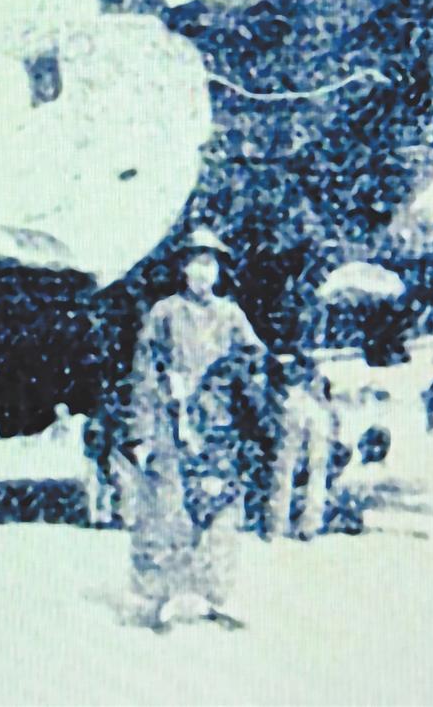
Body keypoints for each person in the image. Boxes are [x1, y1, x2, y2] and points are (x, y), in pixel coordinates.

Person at [125, 227, 265, 630]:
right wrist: (141, 431)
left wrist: (230, 382)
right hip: (171, 422)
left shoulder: (231, 315)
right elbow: (144, 371)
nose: (203, 273)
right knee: (167, 508)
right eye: (195, 264)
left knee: (222, 508)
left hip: (219, 426)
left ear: (219, 271)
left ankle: (218, 595)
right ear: (183, 269)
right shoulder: (164, 313)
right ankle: (158, 598)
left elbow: (255, 360)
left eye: (210, 264)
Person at [273, 352, 337, 539]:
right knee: (301, 467)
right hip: (306, 404)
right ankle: (303, 521)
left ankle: (287, 520)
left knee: (290, 467)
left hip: (301, 405)